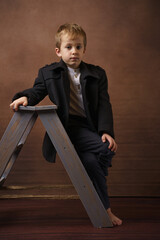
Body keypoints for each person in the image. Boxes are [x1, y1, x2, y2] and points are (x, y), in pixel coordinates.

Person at [10, 23, 122, 226]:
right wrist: (25, 97)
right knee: (103, 150)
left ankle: (106, 211)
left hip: (89, 128)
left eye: (79, 47)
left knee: (92, 163)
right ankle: (102, 189)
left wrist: (105, 131)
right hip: (67, 128)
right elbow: (37, 91)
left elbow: (105, 104)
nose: (74, 52)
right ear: (58, 51)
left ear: (84, 50)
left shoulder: (97, 74)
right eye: (69, 47)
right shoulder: (49, 72)